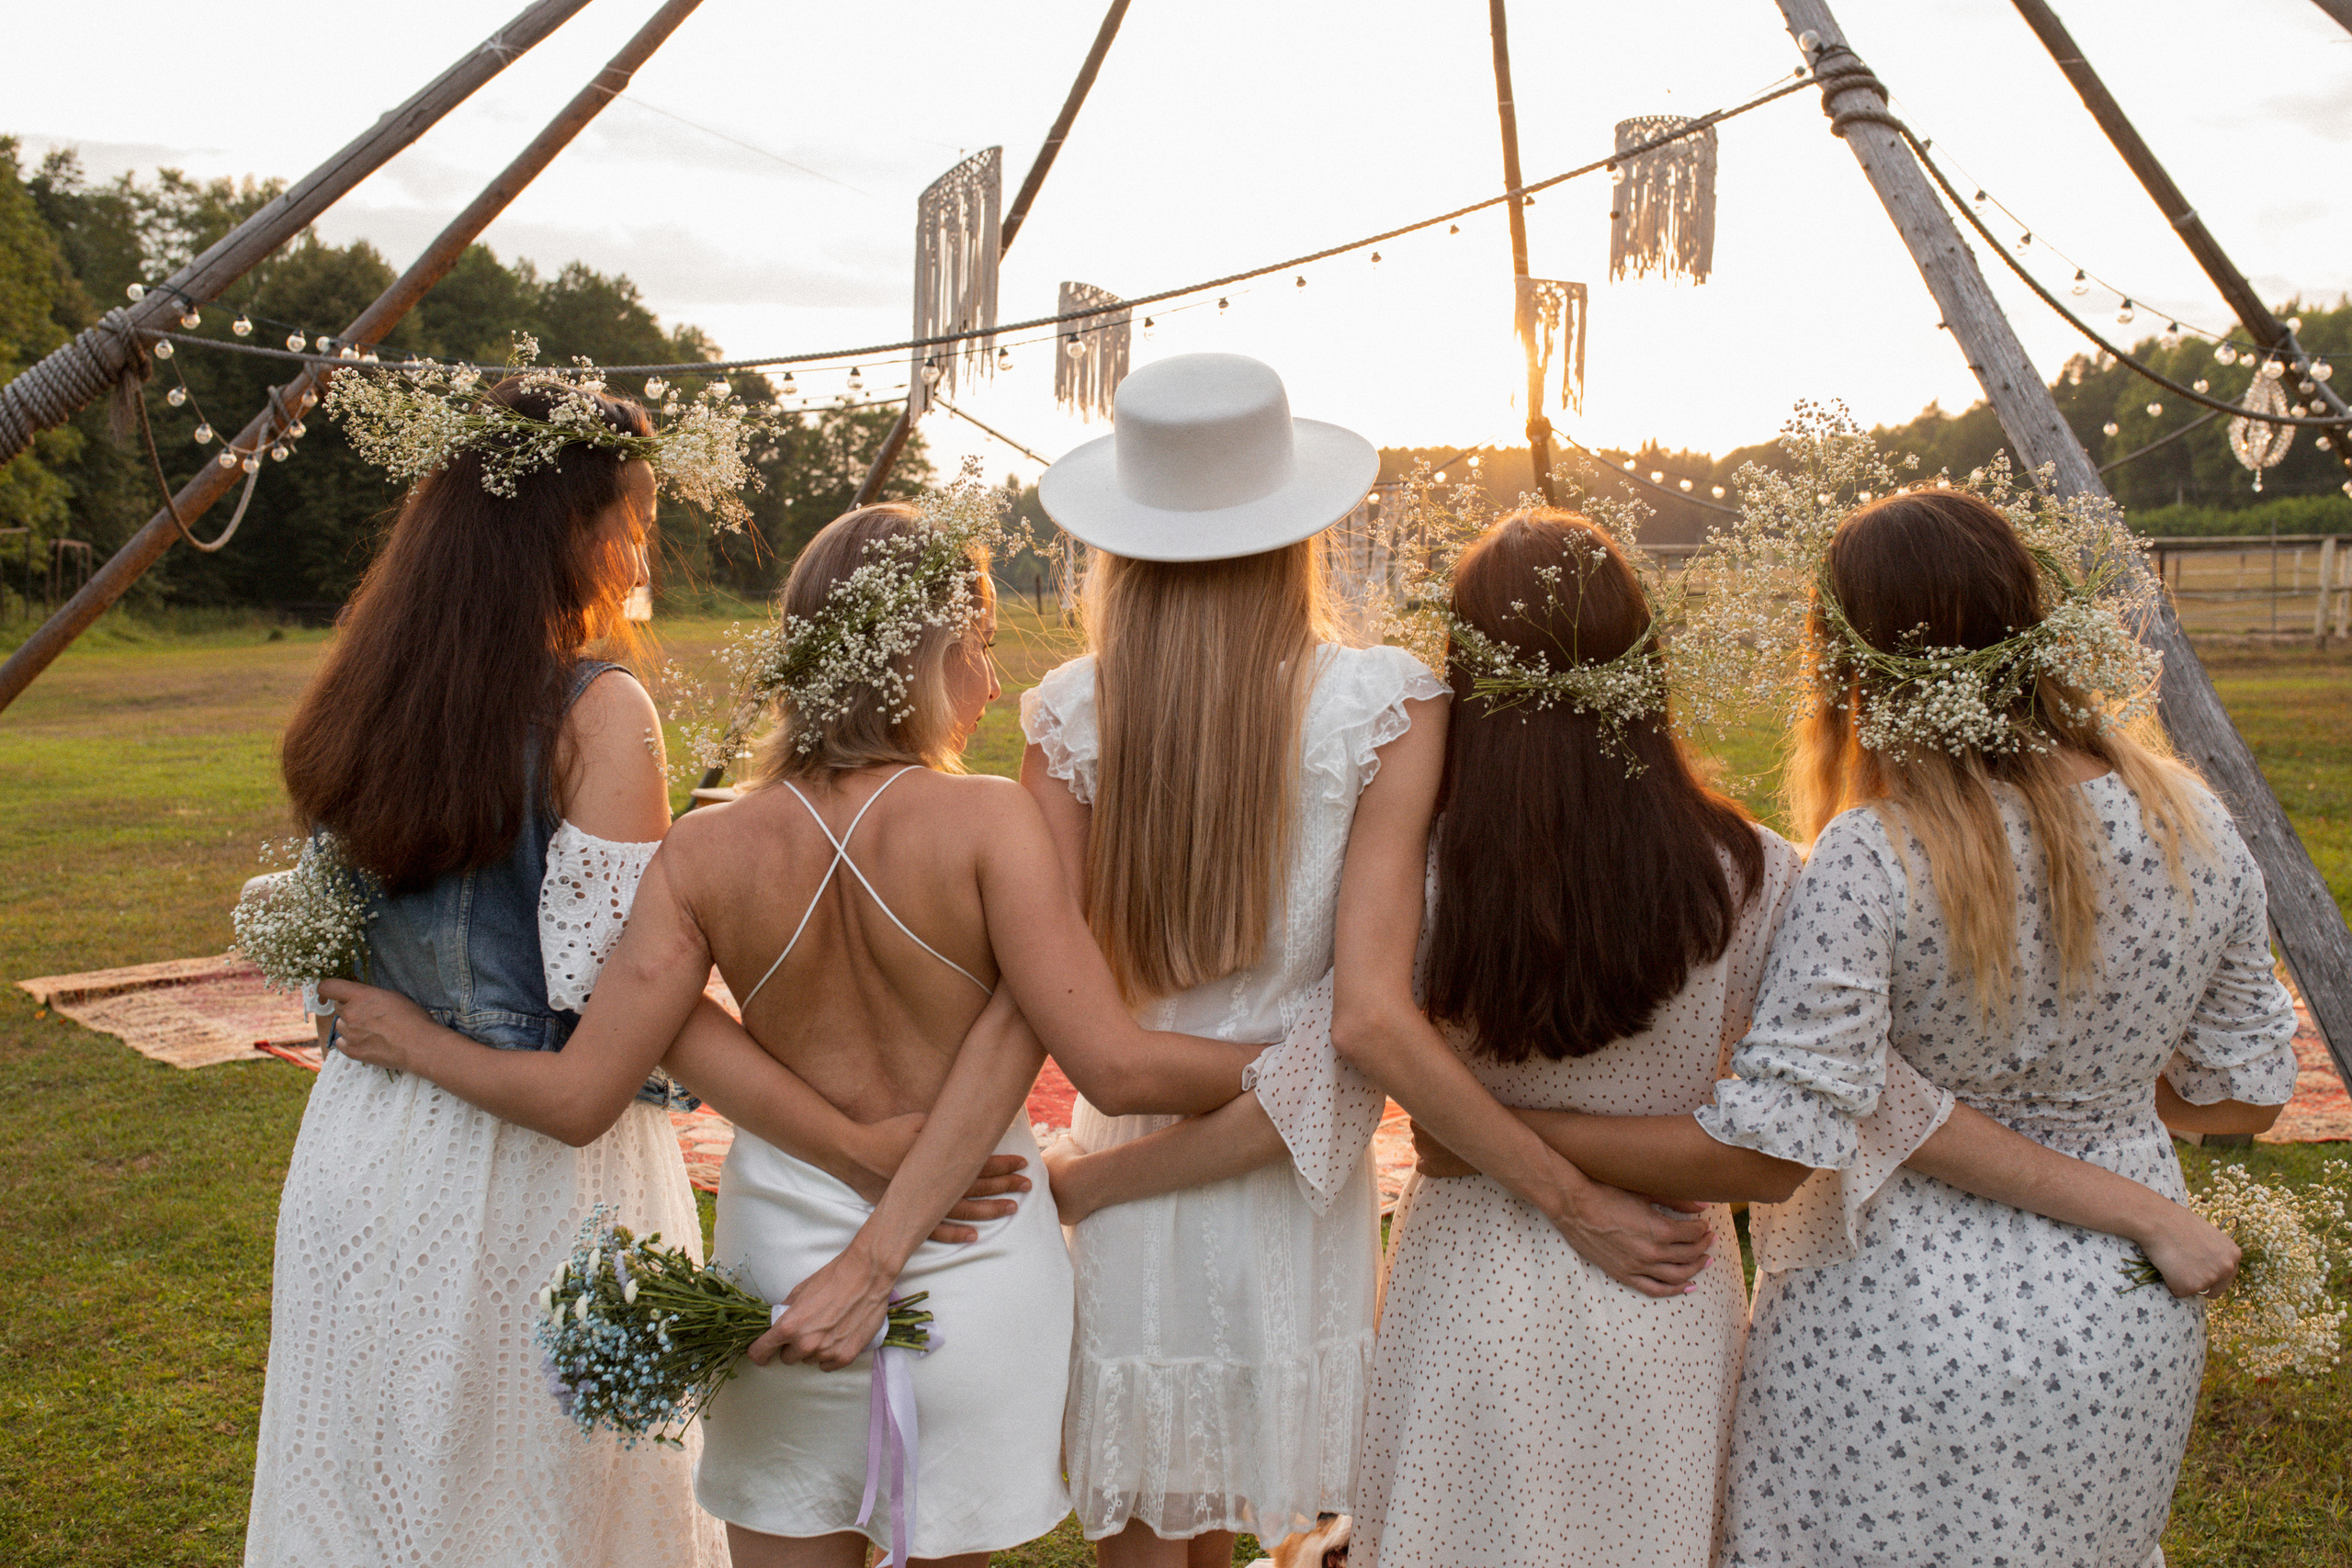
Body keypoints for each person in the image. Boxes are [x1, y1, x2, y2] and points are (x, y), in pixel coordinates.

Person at [331, 495, 1265, 1568]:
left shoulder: (703, 851)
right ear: (930, 656)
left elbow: (598, 1080)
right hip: (974, 1245)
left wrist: (411, 1036)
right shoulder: (990, 825)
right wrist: (1289, 1065)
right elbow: (1105, 1057)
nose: (994, 685)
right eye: (983, 650)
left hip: (777, 1282)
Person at [1410, 489, 2293, 1564]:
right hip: (2122, 1312)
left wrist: (1492, 1130)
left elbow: (1790, 1129)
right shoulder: (2189, 818)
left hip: (1891, 1320)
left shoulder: (1876, 858)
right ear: (2033, 623)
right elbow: (2242, 1093)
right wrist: (2086, 1092)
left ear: (1848, 663)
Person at [1025, 357, 1710, 1565]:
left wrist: (1089, 1170)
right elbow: (1361, 1019)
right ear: (1298, 532)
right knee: (1234, 1520)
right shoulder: (1383, 706)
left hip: (1123, 1155)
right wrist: (1303, 1071)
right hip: (1294, 1178)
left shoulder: (1070, 715)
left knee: (1139, 1534)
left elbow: (1085, 1025)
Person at [246, 376, 733, 1568]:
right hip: (526, 1189)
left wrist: (397, 1033)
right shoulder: (600, 711)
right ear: (565, 534)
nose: (637, 552)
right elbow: (603, 1061)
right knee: (538, 1515)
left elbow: (332, 945)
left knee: (376, 1506)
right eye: (631, 517)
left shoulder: (373, 690)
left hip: (362, 1155)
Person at [1313, 509, 1803, 1568]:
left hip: (1468, 1296)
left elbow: (1367, 1025)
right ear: (1643, 659)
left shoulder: (1418, 868)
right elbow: (1774, 1144)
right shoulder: (1751, 871)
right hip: (1666, 1282)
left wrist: (1485, 1134)